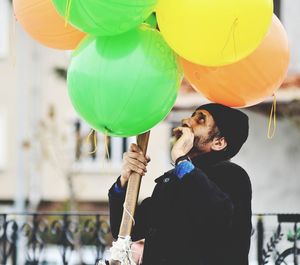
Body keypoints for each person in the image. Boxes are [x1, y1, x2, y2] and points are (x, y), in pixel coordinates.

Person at [108, 103, 252, 265]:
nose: (187, 120)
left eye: (201, 120)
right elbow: (127, 228)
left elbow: (217, 215)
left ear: (218, 143)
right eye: (192, 115)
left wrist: (180, 157)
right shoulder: (172, 179)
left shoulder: (232, 176)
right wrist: (124, 181)